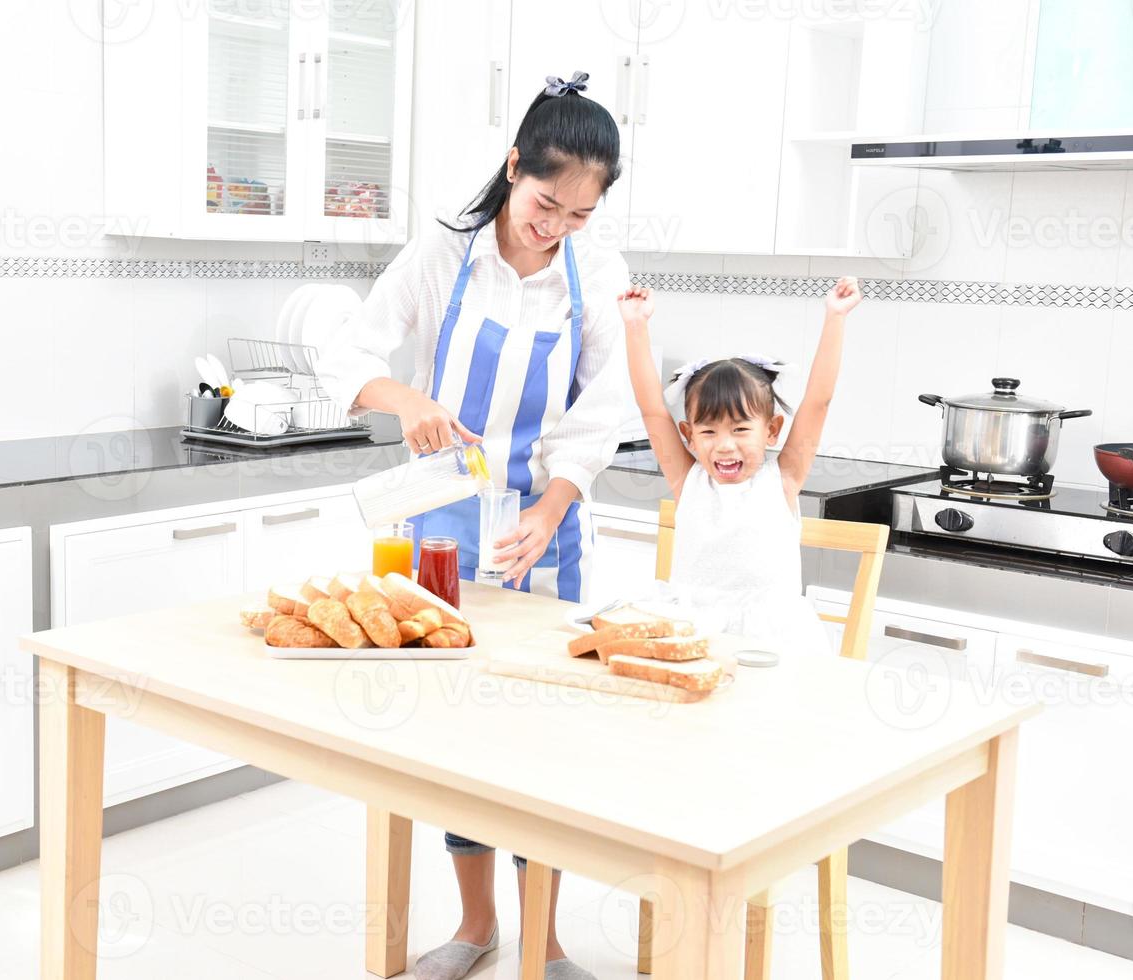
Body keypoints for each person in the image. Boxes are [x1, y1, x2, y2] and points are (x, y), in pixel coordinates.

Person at [318, 71, 628, 980]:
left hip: (545, 533)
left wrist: (551, 506)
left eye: (578, 214)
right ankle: (477, 926)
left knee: (543, 741)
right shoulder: (445, 252)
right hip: (440, 533)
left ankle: (546, 940)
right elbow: (345, 350)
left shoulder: (595, 274)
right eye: (545, 203)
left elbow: (601, 412)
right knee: (455, 738)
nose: (555, 227)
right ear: (513, 168)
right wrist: (404, 396)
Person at [619, 277, 863, 654]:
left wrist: (835, 317)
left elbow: (818, 402)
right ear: (688, 434)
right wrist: (636, 325)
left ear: (772, 430)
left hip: (770, 645)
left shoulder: (783, 479)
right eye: (709, 431)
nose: (725, 446)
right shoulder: (688, 480)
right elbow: (652, 408)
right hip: (692, 635)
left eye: (740, 429)